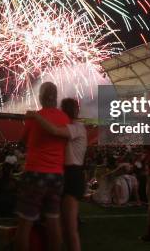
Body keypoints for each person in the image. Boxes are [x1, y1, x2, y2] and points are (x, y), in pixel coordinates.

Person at [26, 98, 87, 251]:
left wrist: (36, 116)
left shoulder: (76, 127)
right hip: (68, 174)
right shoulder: (74, 127)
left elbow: (53, 131)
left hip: (72, 175)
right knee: (62, 226)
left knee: (70, 228)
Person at [15, 82, 69, 251]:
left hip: (35, 173)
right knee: (53, 220)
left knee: (25, 223)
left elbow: (22, 141)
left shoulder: (34, 117)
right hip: (57, 176)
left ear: (41, 97)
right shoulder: (64, 118)